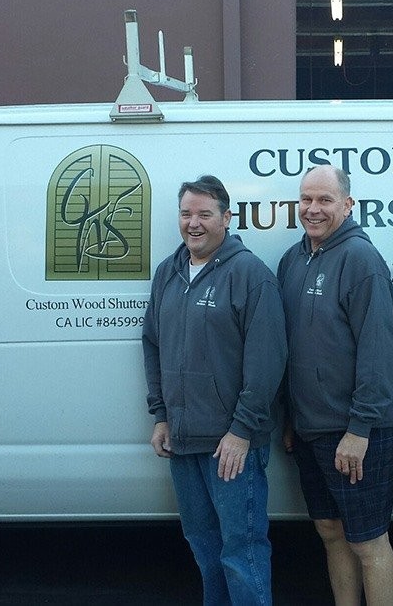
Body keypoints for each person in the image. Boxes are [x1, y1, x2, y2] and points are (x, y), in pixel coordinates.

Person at [142, 174, 288, 606]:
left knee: (241, 551)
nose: (194, 223)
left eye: (205, 214)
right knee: (204, 547)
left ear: (226, 217)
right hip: (184, 441)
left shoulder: (250, 275)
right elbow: (152, 343)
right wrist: (161, 416)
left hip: (231, 445)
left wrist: (241, 431)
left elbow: (267, 363)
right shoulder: (168, 272)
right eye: (186, 213)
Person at [278, 165, 393, 606]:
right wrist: (292, 418)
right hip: (311, 429)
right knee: (331, 533)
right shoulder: (293, 259)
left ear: (348, 205)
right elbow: (292, 350)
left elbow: (377, 351)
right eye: (307, 199)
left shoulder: (361, 260)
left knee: (368, 542)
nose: (313, 209)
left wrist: (360, 429)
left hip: (357, 432)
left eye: (325, 200)